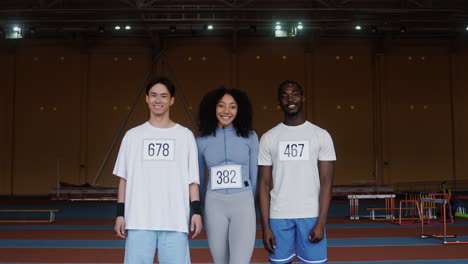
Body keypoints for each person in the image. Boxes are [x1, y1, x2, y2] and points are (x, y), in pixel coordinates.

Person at [113, 77, 202, 264]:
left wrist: (196, 211)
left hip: (175, 220)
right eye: (153, 95)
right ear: (146, 99)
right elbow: (124, 179)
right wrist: (120, 214)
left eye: (163, 96)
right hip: (138, 219)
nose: (158, 100)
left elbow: (192, 180)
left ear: (172, 100)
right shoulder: (132, 136)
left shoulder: (185, 136)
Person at [258, 80, 336, 264]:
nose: (290, 99)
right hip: (278, 217)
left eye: (294, 94)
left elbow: (327, 182)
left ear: (303, 98)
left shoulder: (321, 135)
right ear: (279, 101)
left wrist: (321, 222)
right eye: (284, 96)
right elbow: (263, 184)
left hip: (311, 215)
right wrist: (265, 227)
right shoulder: (269, 138)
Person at [196, 87, 258, 264]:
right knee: (220, 261)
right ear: (212, 108)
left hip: (243, 203)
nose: (226, 111)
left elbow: (255, 176)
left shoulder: (251, 137)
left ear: (240, 110)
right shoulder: (201, 141)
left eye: (232, 107)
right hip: (214, 205)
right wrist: (201, 208)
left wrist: (247, 202)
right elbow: (200, 180)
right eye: (221, 106)